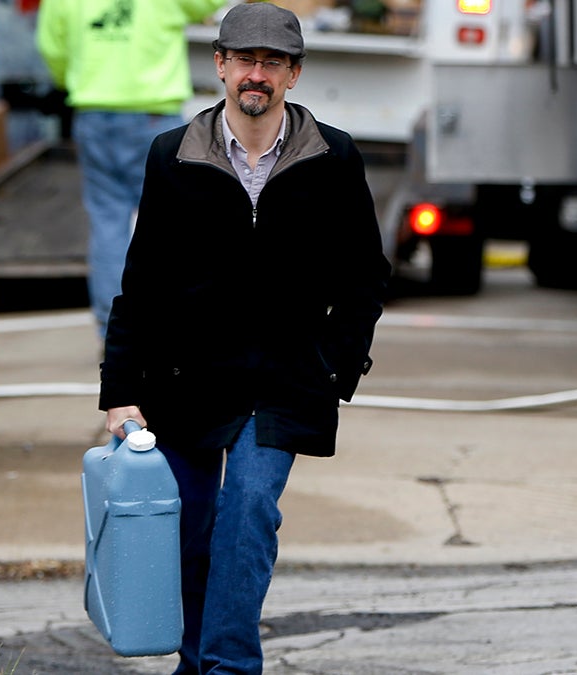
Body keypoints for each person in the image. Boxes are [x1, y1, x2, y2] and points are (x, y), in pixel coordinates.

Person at [99, 3, 391, 673]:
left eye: (273, 63)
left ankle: (229, 666)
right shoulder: (173, 156)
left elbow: (364, 274)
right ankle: (198, 660)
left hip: (284, 382)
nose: (256, 74)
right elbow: (140, 284)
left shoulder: (333, 156)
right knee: (192, 530)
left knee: (248, 513)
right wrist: (121, 391)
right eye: (245, 60)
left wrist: (335, 365)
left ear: (292, 74)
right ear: (220, 65)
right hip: (189, 380)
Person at [35, 0, 225, 336]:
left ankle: (114, 329)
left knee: (108, 220)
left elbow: (52, 47)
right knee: (171, 223)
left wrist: (74, 77)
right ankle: (174, 322)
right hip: (154, 113)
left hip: (93, 109)